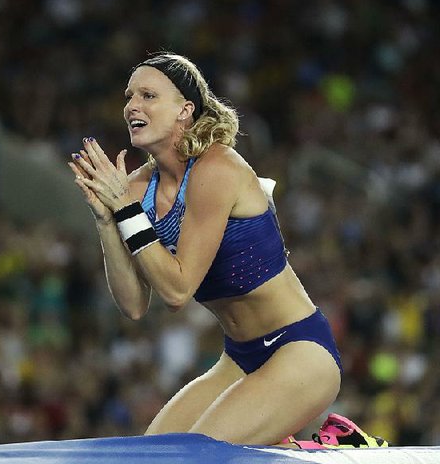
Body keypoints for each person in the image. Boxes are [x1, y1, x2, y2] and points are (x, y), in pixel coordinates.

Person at [67, 52, 386, 448]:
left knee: (198, 456)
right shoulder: (134, 188)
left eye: (148, 95)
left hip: (300, 351)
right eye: (129, 96)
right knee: (146, 457)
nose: (132, 105)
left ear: (184, 110)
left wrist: (127, 214)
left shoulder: (217, 169)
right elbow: (134, 306)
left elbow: (177, 291)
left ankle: (329, 449)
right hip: (239, 359)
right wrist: (105, 220)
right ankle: (297, 446)